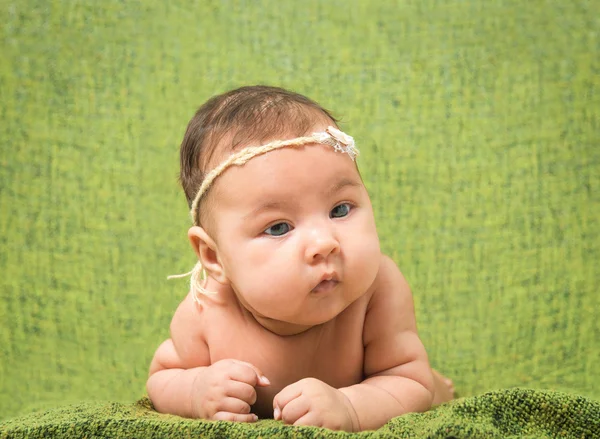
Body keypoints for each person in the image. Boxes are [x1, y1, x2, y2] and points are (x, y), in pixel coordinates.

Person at [146, 85, 454, 431]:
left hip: (371, 385)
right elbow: (163, 378)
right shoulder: (206, 310)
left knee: (432, 388)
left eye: (340, 209)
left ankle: (443, 383)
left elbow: (408, 382)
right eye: (279, 227)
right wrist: (197, 391)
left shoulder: (378, 288)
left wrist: (349, 407)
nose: (324, 243)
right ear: (213, 257)